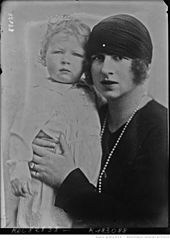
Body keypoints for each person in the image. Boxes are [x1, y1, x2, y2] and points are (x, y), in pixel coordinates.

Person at [29, 14, 168, 228]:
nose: (105, 69)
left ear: (145, 67)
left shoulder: (160, 127)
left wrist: (67, 179)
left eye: (119, 57)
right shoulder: (91, 114)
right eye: (98, 57)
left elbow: (146, 225)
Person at [7, 15, 102, 228]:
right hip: (47, 187)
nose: (65, 60)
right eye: (57, 52)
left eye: (76, 54)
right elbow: (19, 133)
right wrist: (20, 166)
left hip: (82, 183)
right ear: (43, 57)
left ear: (86, 63)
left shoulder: (90, 93)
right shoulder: (40, 94)